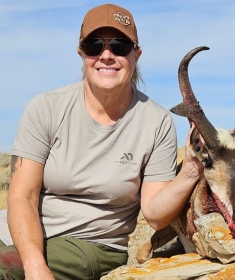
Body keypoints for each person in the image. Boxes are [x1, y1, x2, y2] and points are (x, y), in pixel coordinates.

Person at [0, 3, 203, 280]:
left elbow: (155, 214)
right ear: (81, 53)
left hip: (91, 244)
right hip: (20, 233)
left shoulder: (156, 122)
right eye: (94, 45)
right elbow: (22, 196)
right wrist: (36, 266)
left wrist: (192, 168)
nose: (106, 55)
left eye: (119, 46)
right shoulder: (45, 107)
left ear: (136, 55)